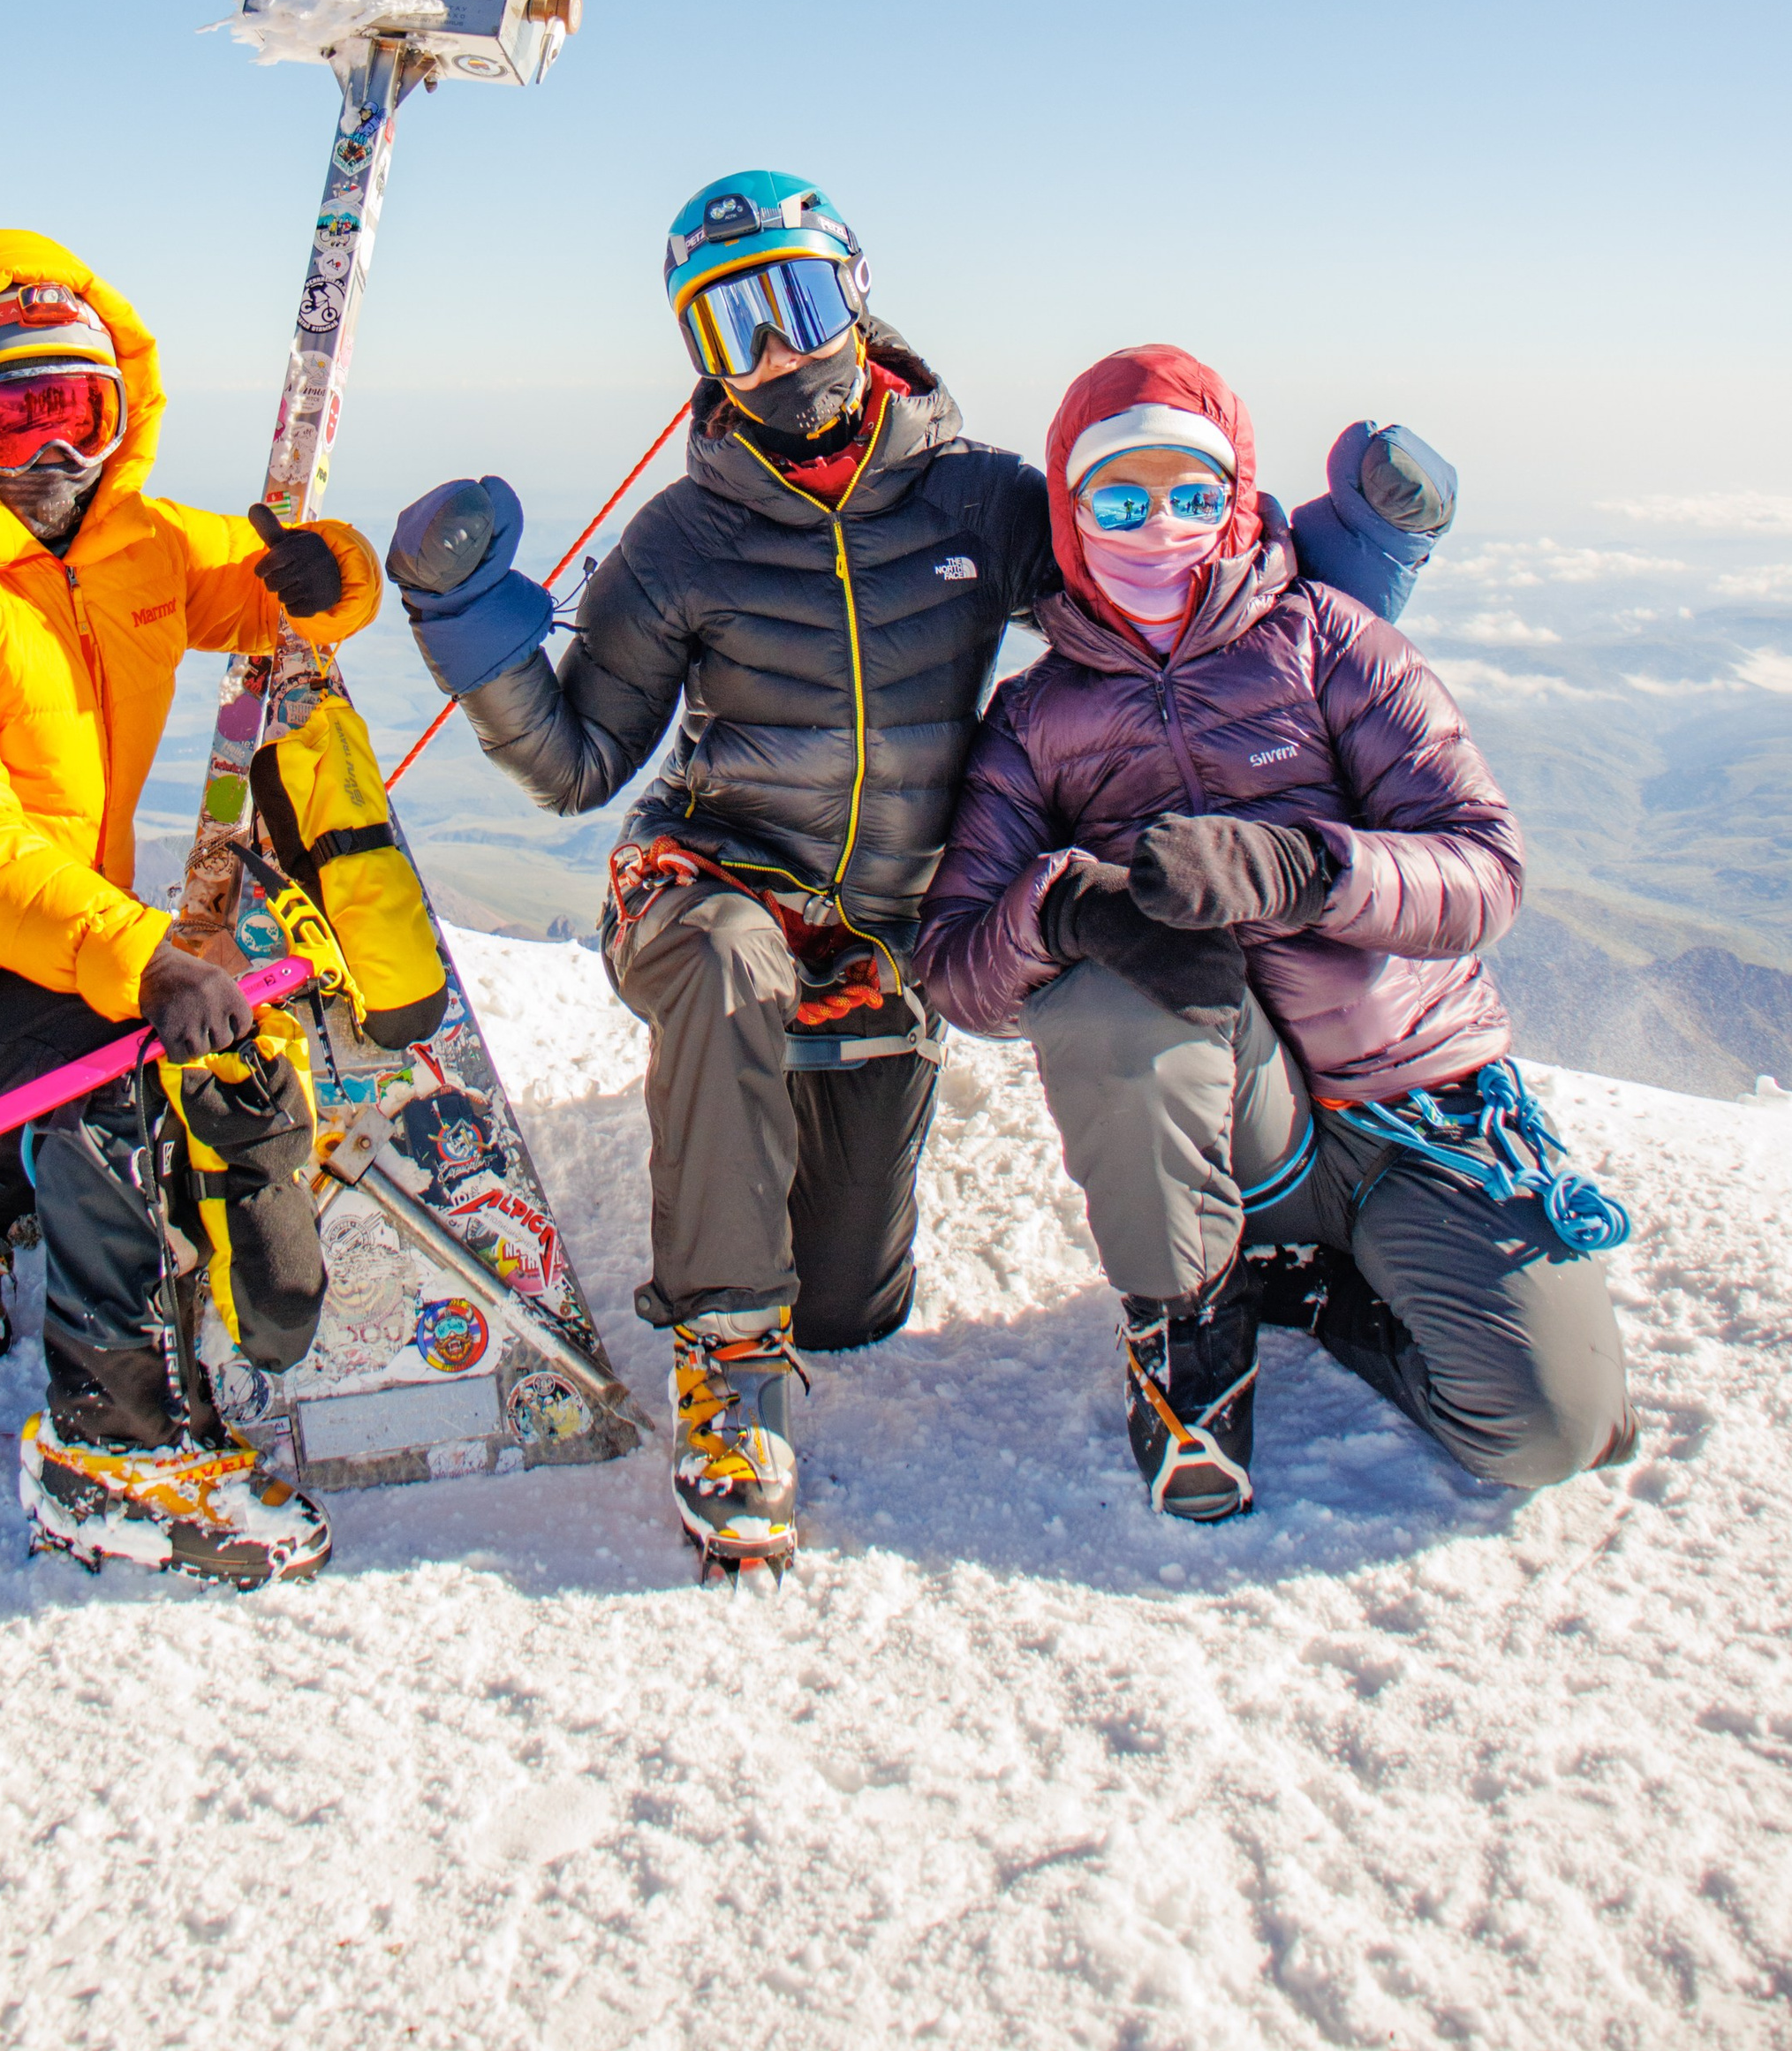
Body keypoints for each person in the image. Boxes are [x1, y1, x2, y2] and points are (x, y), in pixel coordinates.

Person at [386, 174, 1456, 1569]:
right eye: (733, 330)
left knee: (851, 1303)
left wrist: (1363, 547)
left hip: (891, 930)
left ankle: (792, 1284)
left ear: (859, 293)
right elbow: (580, 762)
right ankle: (727, 1369)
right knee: (723, 966)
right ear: (698, 359)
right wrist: (466, 627)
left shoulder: (977, 500)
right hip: (717, 876)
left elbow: (1166, 588)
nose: (779, 354)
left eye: (801, 303)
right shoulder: (684, 538)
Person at [0, 230, 407, 1586]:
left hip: (7, 949)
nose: (54, 455)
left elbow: (265, 578)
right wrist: (139, 953)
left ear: (123, 412)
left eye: (80, 410)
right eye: (10, 413)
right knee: (109, 1065)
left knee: (92, 1022)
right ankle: (116, 1448)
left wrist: (331, 572)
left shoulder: (131, 545)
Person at [915, 342, 1634, 1523]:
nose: (1160, 530)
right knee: (1096, 994)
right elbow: (956, 966)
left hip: (1416, 1110)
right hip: (1236, 1125)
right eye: (1121, 497)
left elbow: (1487, 873)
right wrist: (1071, 908)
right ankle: (1186, 1335)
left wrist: (1307, 870)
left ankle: (1312, 1289)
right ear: (1070, 508)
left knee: (1553, 1430)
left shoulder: (1329, 640)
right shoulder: (1037, 720)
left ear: (1239, 496)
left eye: (1195, 495)